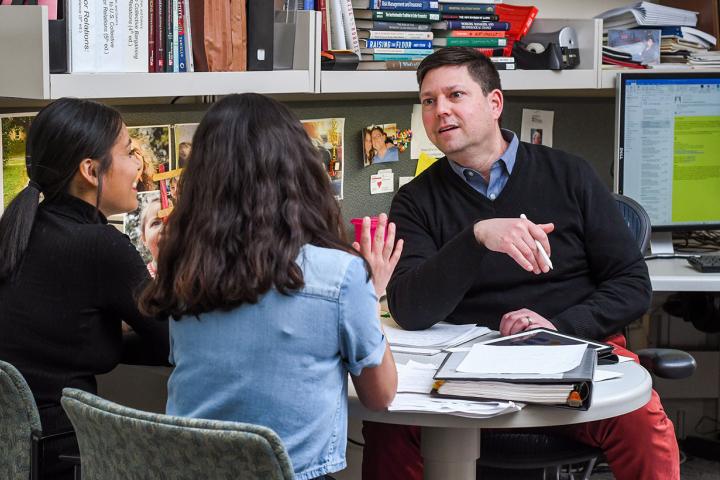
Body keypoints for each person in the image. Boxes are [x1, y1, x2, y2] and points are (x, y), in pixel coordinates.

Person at [362, 47, 679, 480]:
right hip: (463, 366)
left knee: (642, 420)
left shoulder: (571, 175)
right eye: (429, 101)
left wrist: (557, 326)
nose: (441, 111)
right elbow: (411, 310)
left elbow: (632, 284)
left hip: (568, 346)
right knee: (388, 431)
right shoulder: (416, 201)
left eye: (456, 95)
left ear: (494, 103)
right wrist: (476, 238)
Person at [137, 93, 402, 480]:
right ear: (301, 172)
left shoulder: (184, 266)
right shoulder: (340, 275)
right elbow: (380, 397)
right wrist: (373, 291)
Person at [0, 98, 169, 480]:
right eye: (128, 152)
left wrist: (112, 330)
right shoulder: (99, 245)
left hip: (16, 453)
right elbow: (174, 340)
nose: (137, 165)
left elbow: (53, 336)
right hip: (63, 457)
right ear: (91, 171)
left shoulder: (19, 230)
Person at [138, 195, 164, 278]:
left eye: (172, 221)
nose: (165, 228)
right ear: (144, 239)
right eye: (156, 223)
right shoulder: (139, 279)